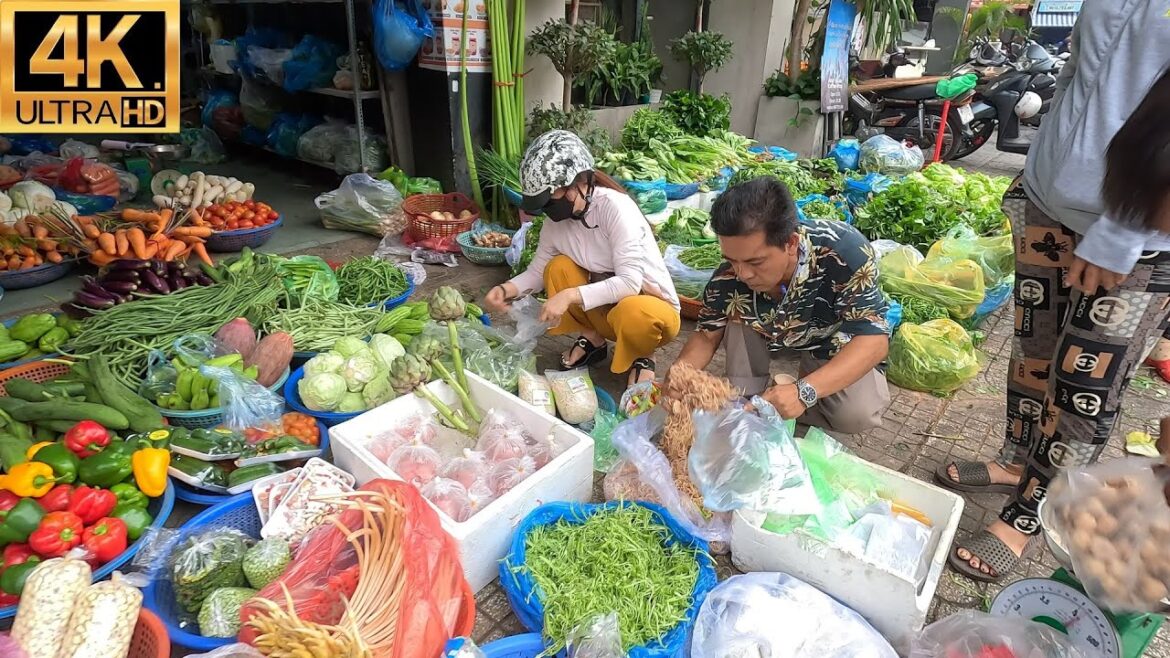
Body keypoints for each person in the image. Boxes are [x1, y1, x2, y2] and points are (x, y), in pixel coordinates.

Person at [940, 7, 1170, 582]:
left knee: (1083, 383)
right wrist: (1039, 167)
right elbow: (1077, 76)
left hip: (1135, 231)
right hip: (1048, 202)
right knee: (1034, 351)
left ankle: (1029, 514)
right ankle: (1015, 460)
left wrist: (1122, 234)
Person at [670, 176, 891, 434]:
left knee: (854, 415)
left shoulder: (844, 253)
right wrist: (681, 373)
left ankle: (790, 399)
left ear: (791, 244)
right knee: (737, 308)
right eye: (732, 260)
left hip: (828, 339)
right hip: (767, 333)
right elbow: (707, 335)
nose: (743, 273)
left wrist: (805, 391)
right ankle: (748, 399)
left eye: (755, 262)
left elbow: (875, 340)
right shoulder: (729, 276)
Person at [482, 130, 681, 388]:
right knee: (557, 268)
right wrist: (504, 290)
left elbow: (630, 283)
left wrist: (569, 295)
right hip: (606, 314)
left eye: (550, 198)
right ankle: (593, 339)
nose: (548, 209)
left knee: (634, 311)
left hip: (653, 313)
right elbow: (537, 271)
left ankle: (644, 355)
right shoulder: (557, 223)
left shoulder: (616, 208)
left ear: (580, 183)